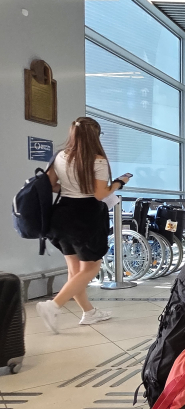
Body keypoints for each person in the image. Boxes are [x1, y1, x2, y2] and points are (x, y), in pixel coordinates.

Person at [36, 117, 132, 333]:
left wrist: (71, 187)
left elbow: (51, 185)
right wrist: (119, 183)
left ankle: (88, 312)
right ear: (95, 135)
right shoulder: (98, 160)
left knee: (75, 270)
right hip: (85, 217)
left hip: (61, 215)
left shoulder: (60, 156)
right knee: (91, 268)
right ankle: (53, 306)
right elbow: (99, 194)